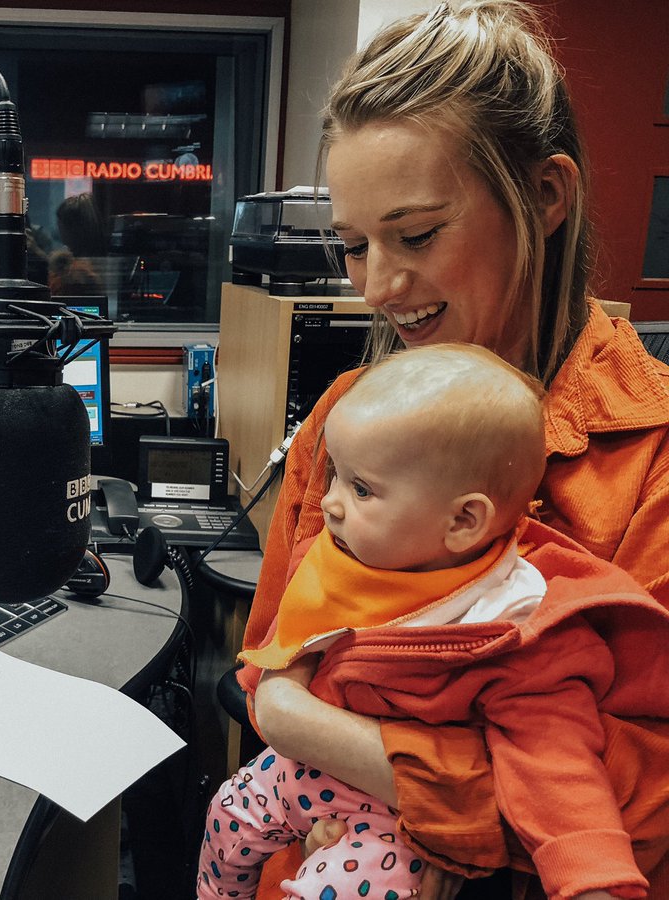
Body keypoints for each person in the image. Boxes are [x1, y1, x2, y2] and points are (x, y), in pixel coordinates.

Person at [234, 2, 669, 898]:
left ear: (545, 196)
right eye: (354, 246)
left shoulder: (653, 459)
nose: (380, 287)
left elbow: (639, 804)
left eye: (417, 234)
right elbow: (271, 655)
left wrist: (333, 742)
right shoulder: (344, 417)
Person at [199, 344, 669, 900]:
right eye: (336, 477)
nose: (328, 504)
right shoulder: (347, 551)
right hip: (300, 773)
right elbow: (271, 658)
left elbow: (558, 767)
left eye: (362, 489)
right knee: (225, 816)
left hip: (396, 827)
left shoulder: (514, 629)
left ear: (464, 520)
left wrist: (592, 879)